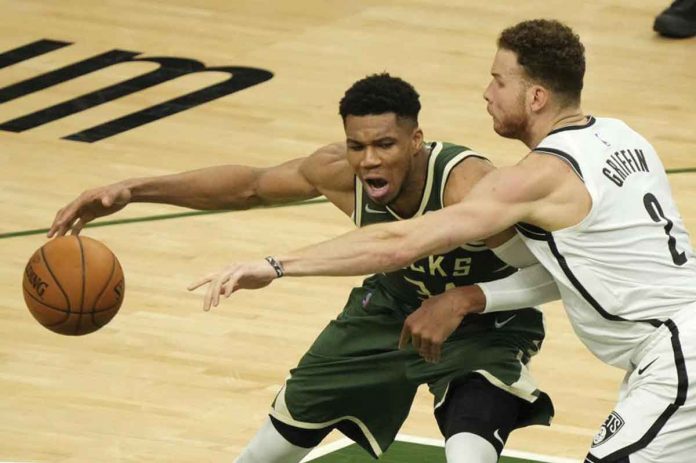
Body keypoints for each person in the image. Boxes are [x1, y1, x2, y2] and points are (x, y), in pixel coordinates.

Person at [193, 20, 696, 462]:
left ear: (536, 97)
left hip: (677, 354)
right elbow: (563, 274)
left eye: (499, 81)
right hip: (670, 344)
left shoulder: (533, 178)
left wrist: (277, 265)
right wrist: (469, 296)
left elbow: (400, 243)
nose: (487, 92)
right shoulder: (622, 136)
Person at [49, 74, 554, 462]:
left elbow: (552, 276)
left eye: (386, 144)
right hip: (389, 312)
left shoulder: (469, 185)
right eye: (358, 146)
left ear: (416, 139)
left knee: (469, 450)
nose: (369, 160)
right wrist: (132, 191)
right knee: (263, 454)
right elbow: (249, 185)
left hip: (486, 323)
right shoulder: (339, 171)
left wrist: (463, 299)